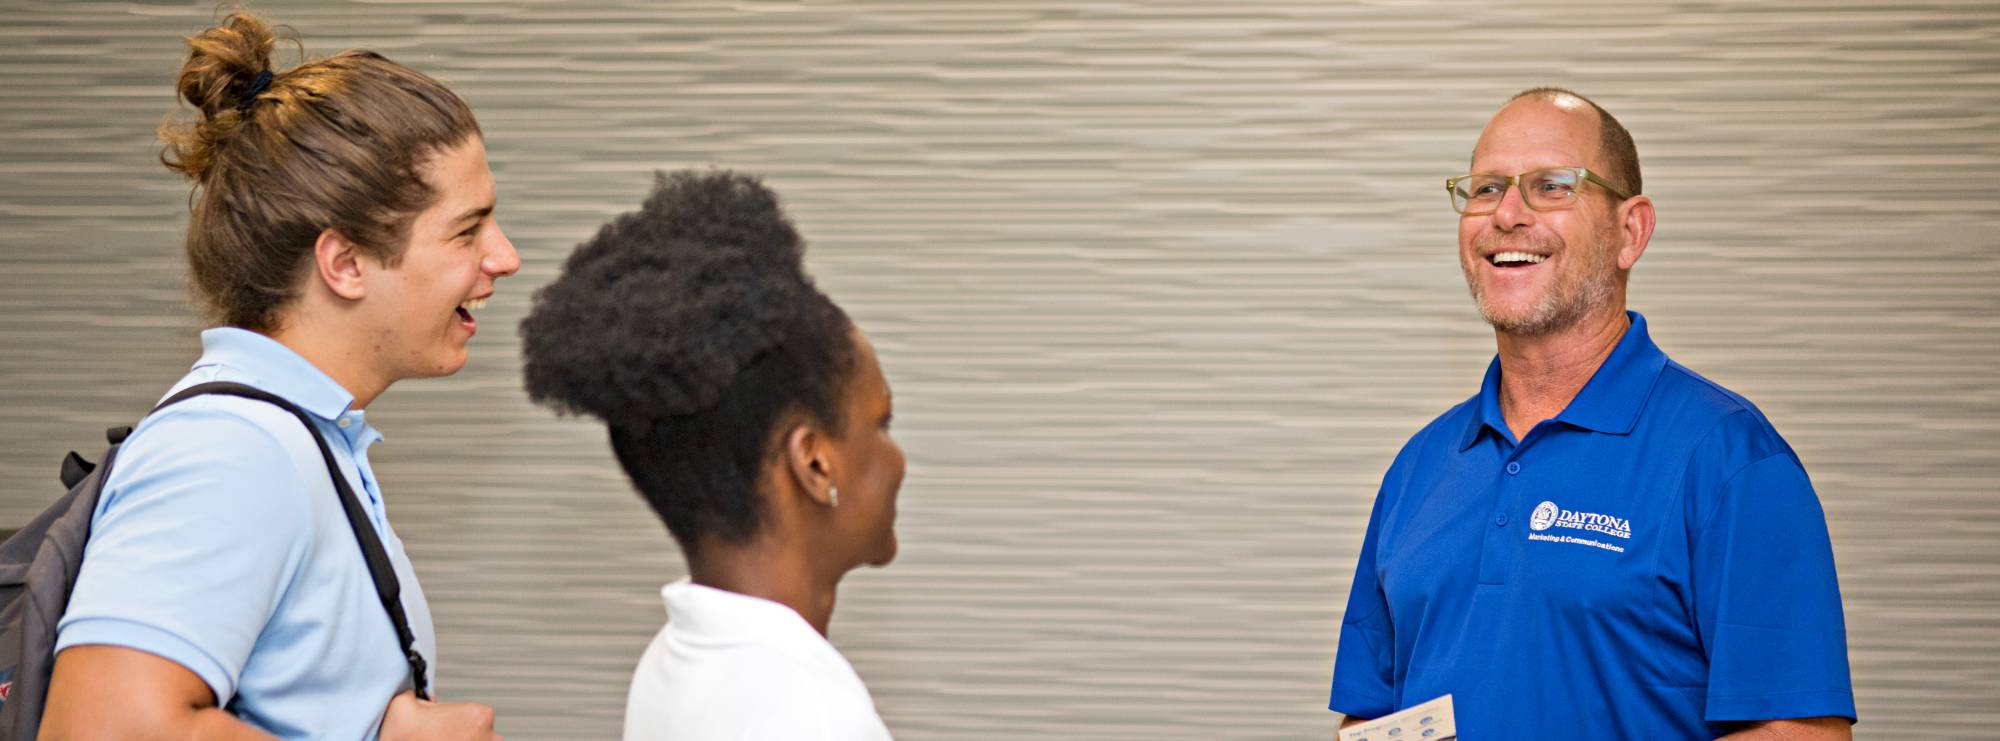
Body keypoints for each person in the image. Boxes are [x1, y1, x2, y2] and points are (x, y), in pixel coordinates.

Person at [42, 11, 517, 740]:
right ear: (346, 263)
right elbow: (103, 728)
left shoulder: (297, 439)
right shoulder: (231, 449)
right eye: (466, 230)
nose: (505, 256)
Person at [1326, 88, 1855, 739]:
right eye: (1487, 187)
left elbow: (1799, 731)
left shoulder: (1730, 462)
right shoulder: (1419, 468)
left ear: (1629, 231)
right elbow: (1370, 719)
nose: (1508, 213)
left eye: (1552, 186)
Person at [519, 170, 902, 741]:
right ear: (815, 463)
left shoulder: (673, 660)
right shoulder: (812, 719)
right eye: (880, 424)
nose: (897, 458)